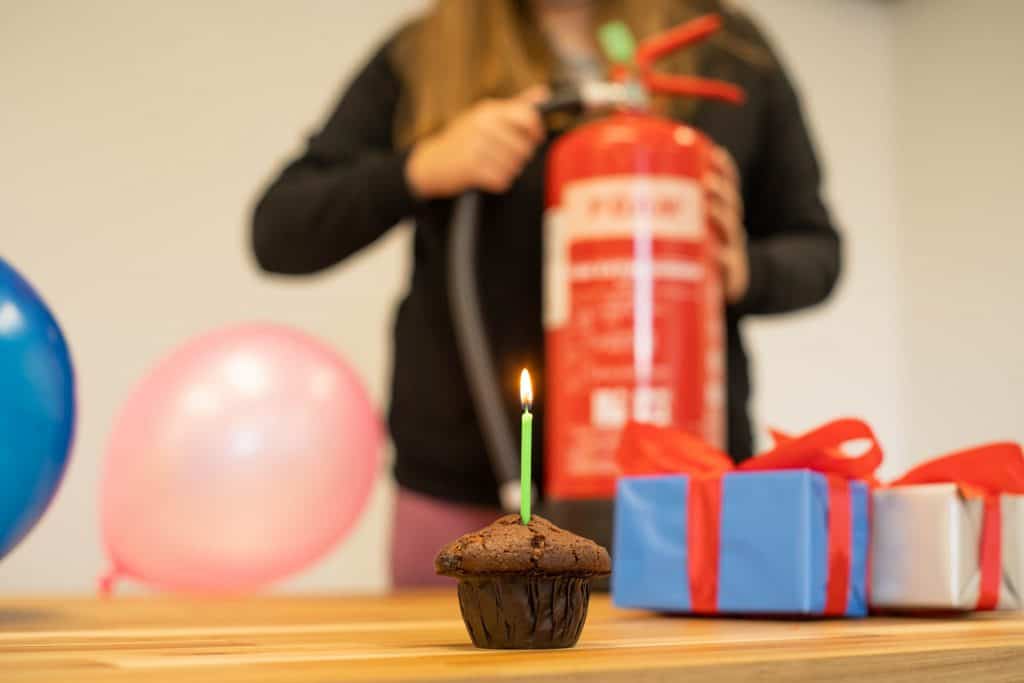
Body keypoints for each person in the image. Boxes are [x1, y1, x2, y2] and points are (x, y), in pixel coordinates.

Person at [251, 0, 841, 587]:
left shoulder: (727, 50)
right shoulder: (425, 53)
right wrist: (424, 165)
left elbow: (817, 249)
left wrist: (742, 270)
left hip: (681, 489)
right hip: (468, 495)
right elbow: (280, 230)